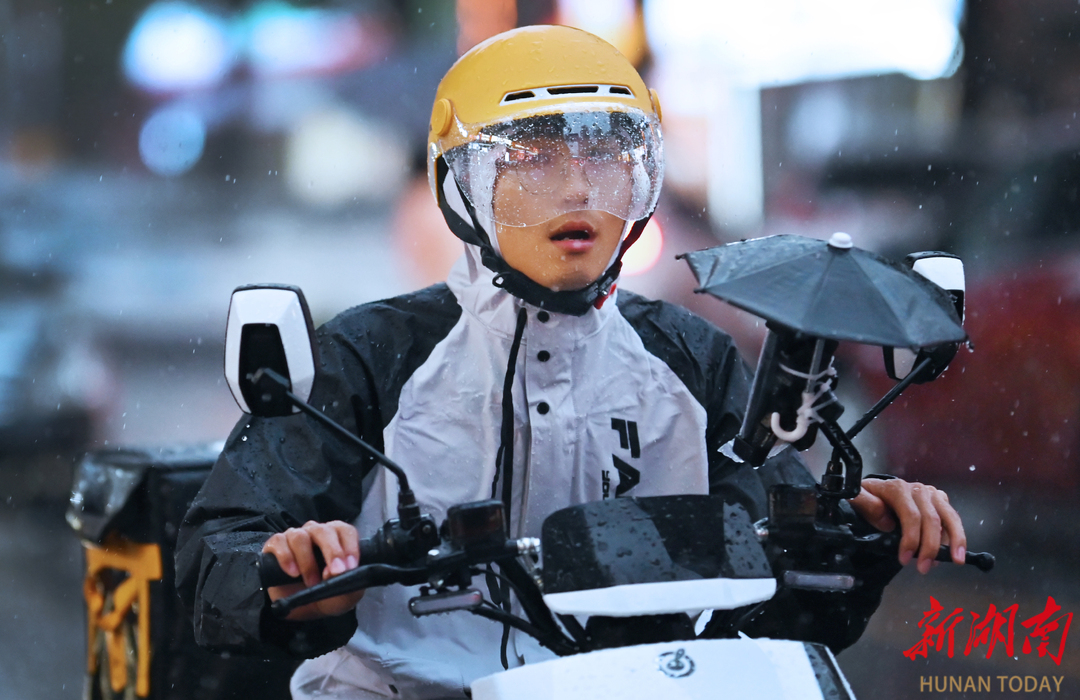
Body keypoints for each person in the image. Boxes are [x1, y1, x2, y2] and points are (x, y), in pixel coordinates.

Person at [176, 25, 967, 700]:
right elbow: (219, 553)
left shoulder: (692, 359)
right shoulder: (371, 353)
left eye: (609, 155)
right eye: (531, 159)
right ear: (462, 186)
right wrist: (288, 574)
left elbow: (778, 614)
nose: (577, 189)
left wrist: (855, 544)